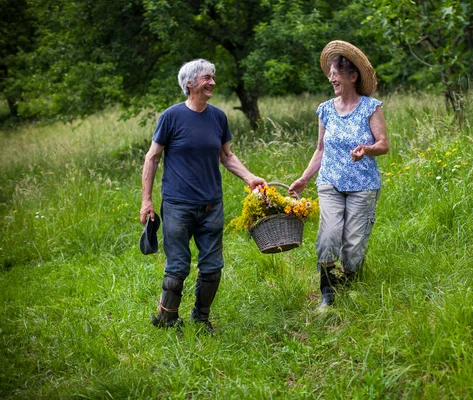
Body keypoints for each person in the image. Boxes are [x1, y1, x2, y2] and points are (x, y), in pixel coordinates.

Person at [140, 59, 266, 331]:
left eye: (213, 77)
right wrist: (147, 201)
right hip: (177, 206)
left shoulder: (218, 117)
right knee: (178, 266)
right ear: (190, 84)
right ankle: (167, 318)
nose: (212, 82)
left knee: (212, 266)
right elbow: (152, 157)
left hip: (212, 205)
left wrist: (250, 177)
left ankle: (201, 317)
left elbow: (226, 156)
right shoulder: (171, 117)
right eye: (207, 78)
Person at [289, 41, 389, 309]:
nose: (331, 78)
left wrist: (366, 150)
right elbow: (320, 148)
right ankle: (327, 292)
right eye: (330, 73)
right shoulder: (325, 109)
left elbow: (384, 145)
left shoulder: (371, 107)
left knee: (354, 243)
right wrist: (305, 178)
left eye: (336, 73)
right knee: (329, 234)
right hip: (330, 181)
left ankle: (349, 283)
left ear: (352, 76)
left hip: (363, 185)